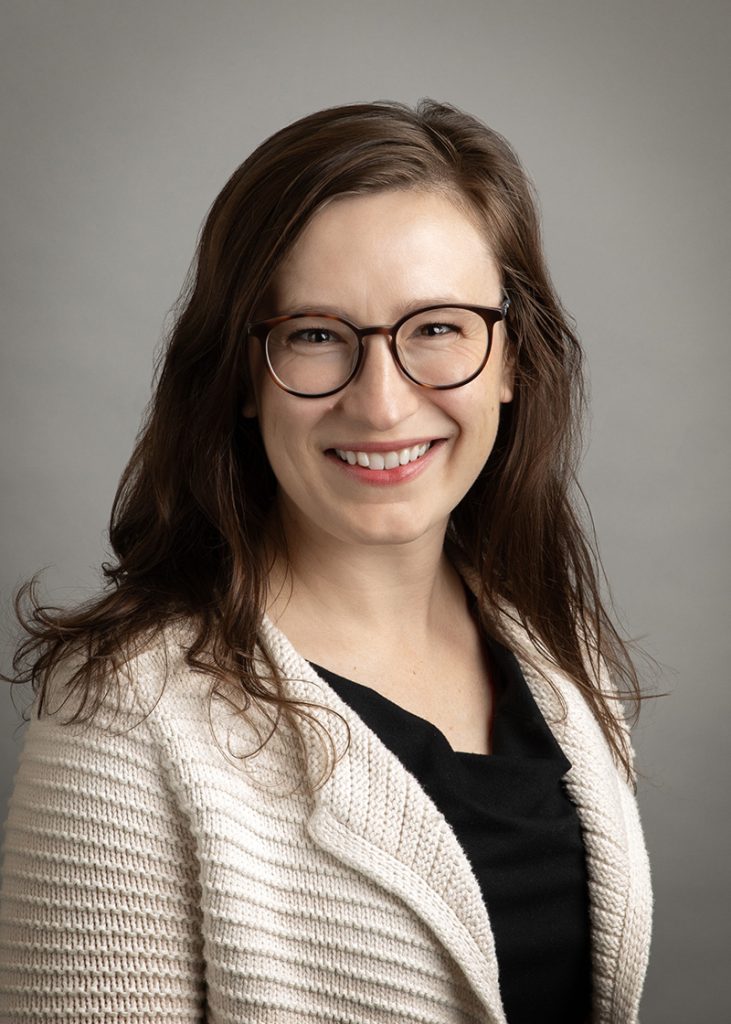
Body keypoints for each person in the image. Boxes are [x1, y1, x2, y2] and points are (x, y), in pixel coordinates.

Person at [0, 100, 652, 1023]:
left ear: (511, 359)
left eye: (437, 328)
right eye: (314, 334)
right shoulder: (125, 712)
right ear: (241, 374)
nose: (381, 405)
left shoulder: (558, 651)